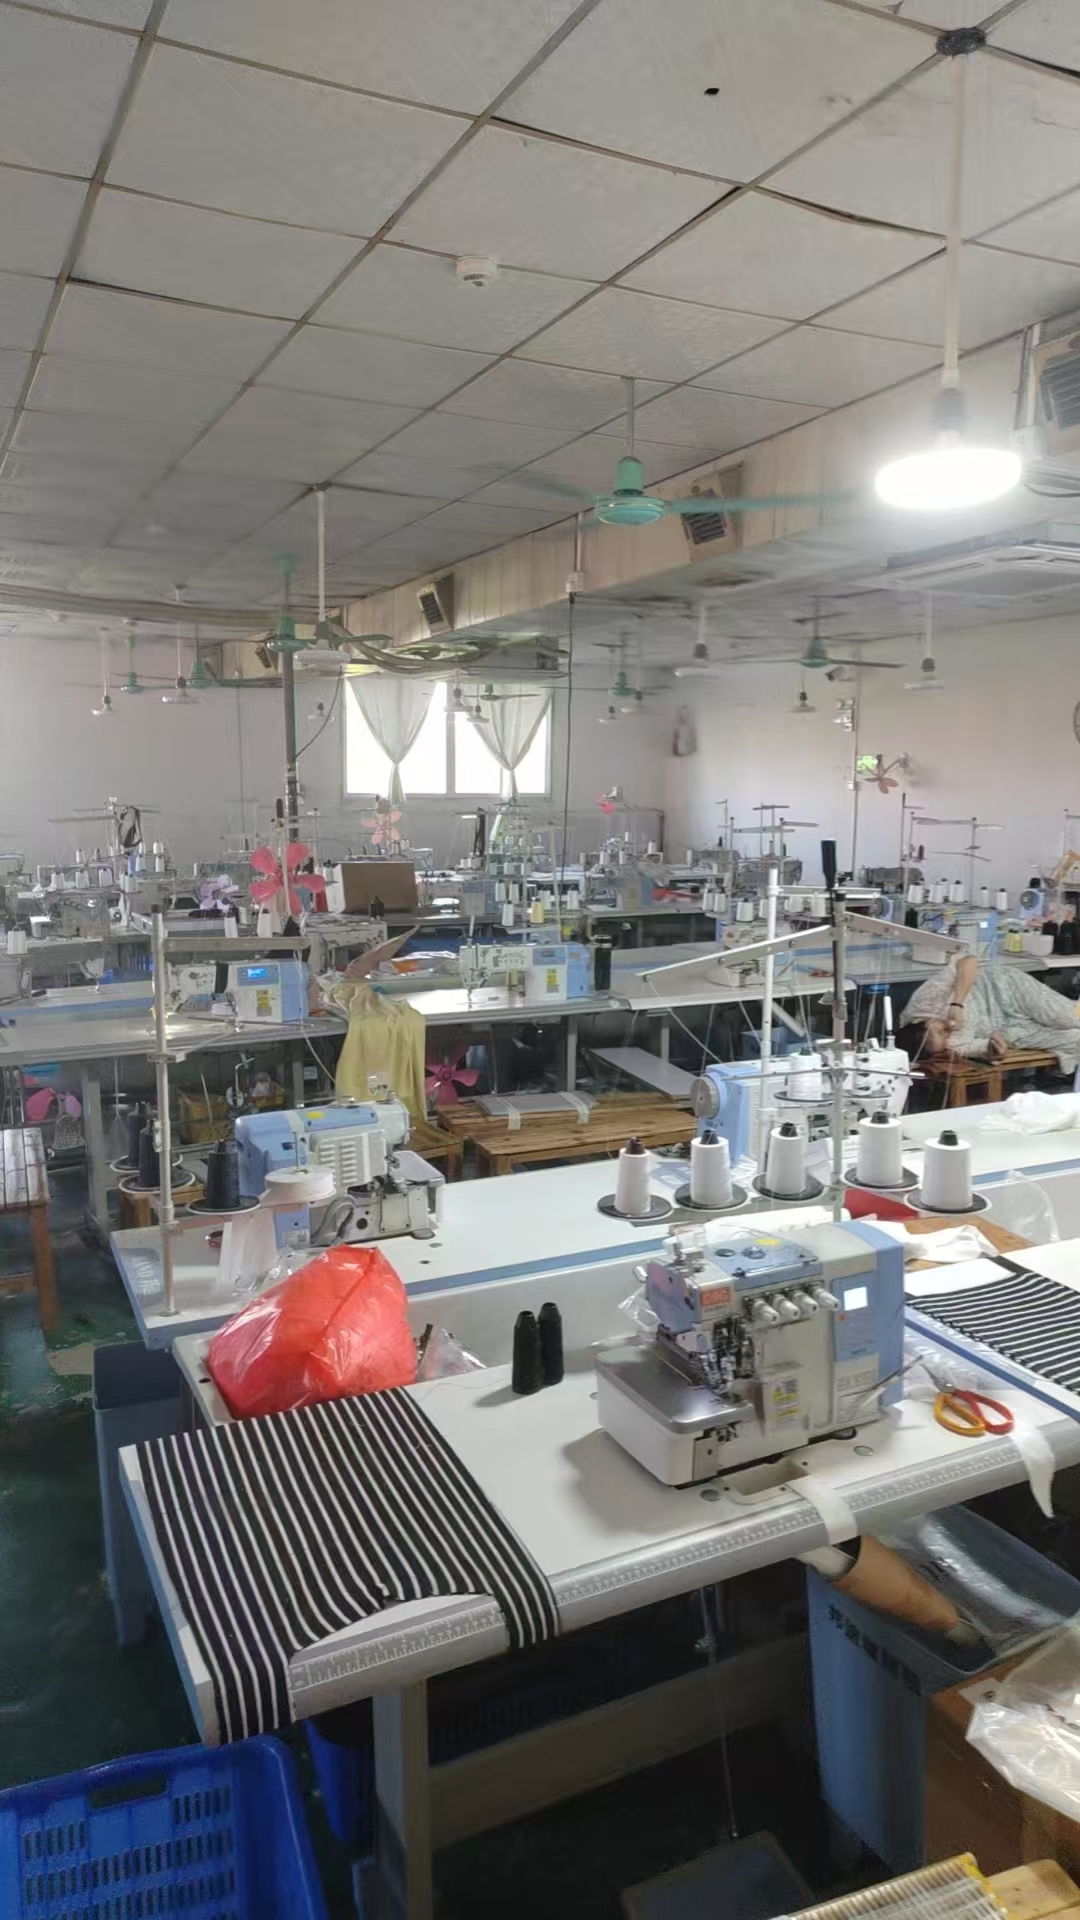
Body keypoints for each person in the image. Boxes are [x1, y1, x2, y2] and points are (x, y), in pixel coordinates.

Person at [898, 953, 1080, 1071]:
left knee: (1069, 1017)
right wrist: (994, 1050)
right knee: (1072, 1039)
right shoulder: (946, 1046)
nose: (949, 1028)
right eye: (945, 1038)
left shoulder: (925, 1002)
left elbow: (968, 961)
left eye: (939, 1030)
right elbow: (982, 1049)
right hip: (1008, 1028)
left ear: (920, 1021)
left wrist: (957, 1004)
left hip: (1003, 989)